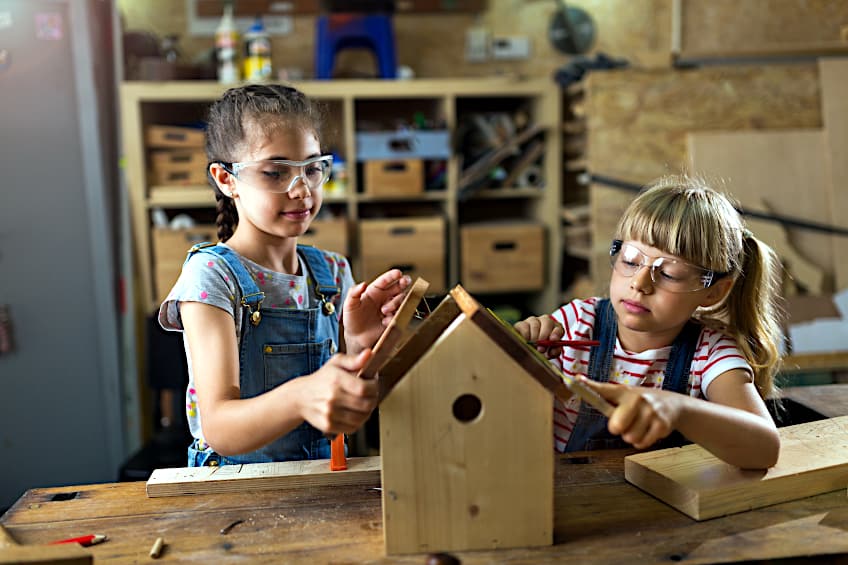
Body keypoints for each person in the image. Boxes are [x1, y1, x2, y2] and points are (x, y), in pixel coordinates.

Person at [159, 84, 410, 466]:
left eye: (312, 168)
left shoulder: (333, 272)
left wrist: (361, 351)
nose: (301, 190)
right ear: (226, 180)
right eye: (275, 173)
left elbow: (343, 417)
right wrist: (299, 397)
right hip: (236, 491)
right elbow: (219, 429)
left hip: (318, 481)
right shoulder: (211, 277)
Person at [515, 175, 784, 469]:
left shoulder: (709, 354)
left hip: (666, 505)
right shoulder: (575, 322)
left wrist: (678, 409)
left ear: (713, 292)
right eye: (631, 259)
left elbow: (765, 449)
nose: (640, 283)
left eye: (669, 272)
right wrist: (518, 352)